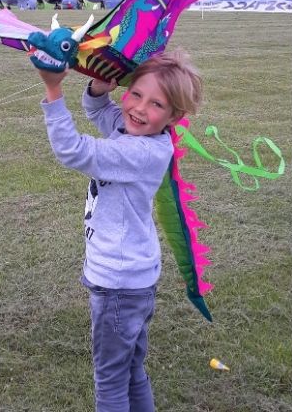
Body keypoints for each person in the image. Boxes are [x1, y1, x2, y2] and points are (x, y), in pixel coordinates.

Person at [35, 50, 203, 411]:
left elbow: (73, 150)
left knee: (110, 380)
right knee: (130, 369)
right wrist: (98, 89)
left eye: (156, 104)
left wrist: (53, 90)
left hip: (117, 283)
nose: (140, 108)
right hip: (134, 280)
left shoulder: (141, 151)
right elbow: (100, 112)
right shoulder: (134, 130)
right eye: (136, 94)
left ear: (174, 116)